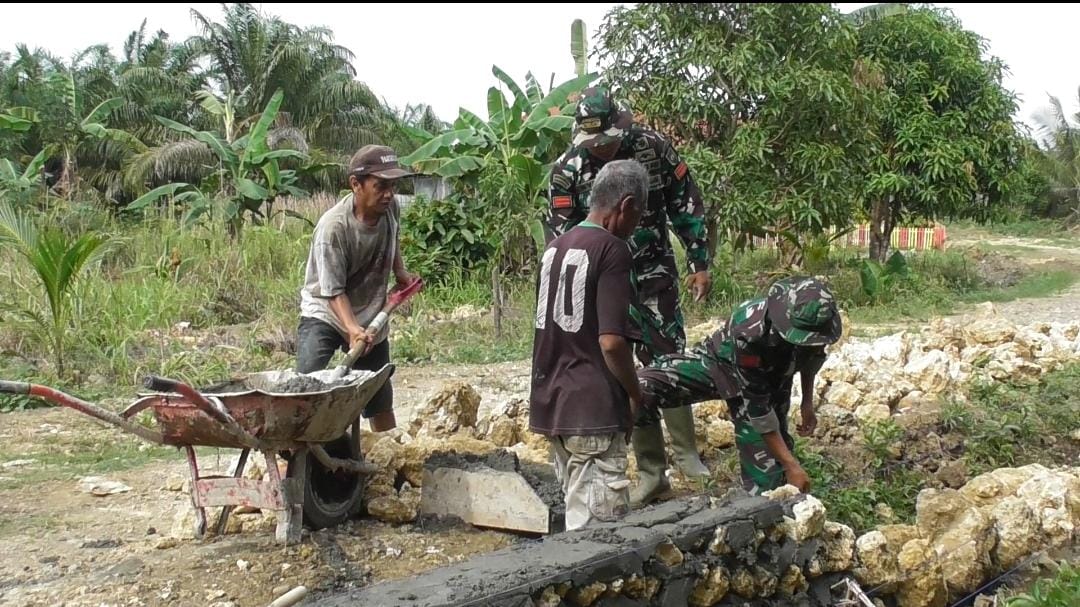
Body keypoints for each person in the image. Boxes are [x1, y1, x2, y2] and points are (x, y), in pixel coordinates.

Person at [545, 85, 713, 506]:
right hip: (605, 282)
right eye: (592, 142)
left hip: (653, 270)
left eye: (606, 140)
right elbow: (562, 238)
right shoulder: (568, 170)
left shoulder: (652, 147)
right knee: (621, 366)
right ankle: (653, 471)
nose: (600, 148)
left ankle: (688, 455)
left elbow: (685, 201)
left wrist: (699, 262)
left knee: (669, 354)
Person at [636, 276, 843, 495]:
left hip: (773, 378)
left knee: (766, 485)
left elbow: (811, 359)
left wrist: (807, 403)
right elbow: (758, 407)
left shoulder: (821, 323)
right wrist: (791, 464)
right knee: (641, 385)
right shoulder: (750, 330)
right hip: (720, 366)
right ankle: (653, 479)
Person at [530, 160, 649, 531]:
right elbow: (611, 343)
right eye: (639, 215)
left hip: (554, 404)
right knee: (598, 538)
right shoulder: (612, 250)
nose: (637, 225)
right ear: (626, 206)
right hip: (594, 409)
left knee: (575, 517)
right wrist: (635, 393)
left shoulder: (554, 248)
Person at [296, 144, 419, 432]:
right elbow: (332, 291)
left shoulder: (390, 208)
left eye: (393, 186)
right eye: (380, 186)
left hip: (369, 314)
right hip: (325, 312)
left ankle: (391, 454)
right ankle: (299, 450)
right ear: (356, 184)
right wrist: (351, 329)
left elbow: (394, 237)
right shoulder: (333, 228)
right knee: (306, 386)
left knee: (379, 394)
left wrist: (399, 271)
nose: (389, 193)